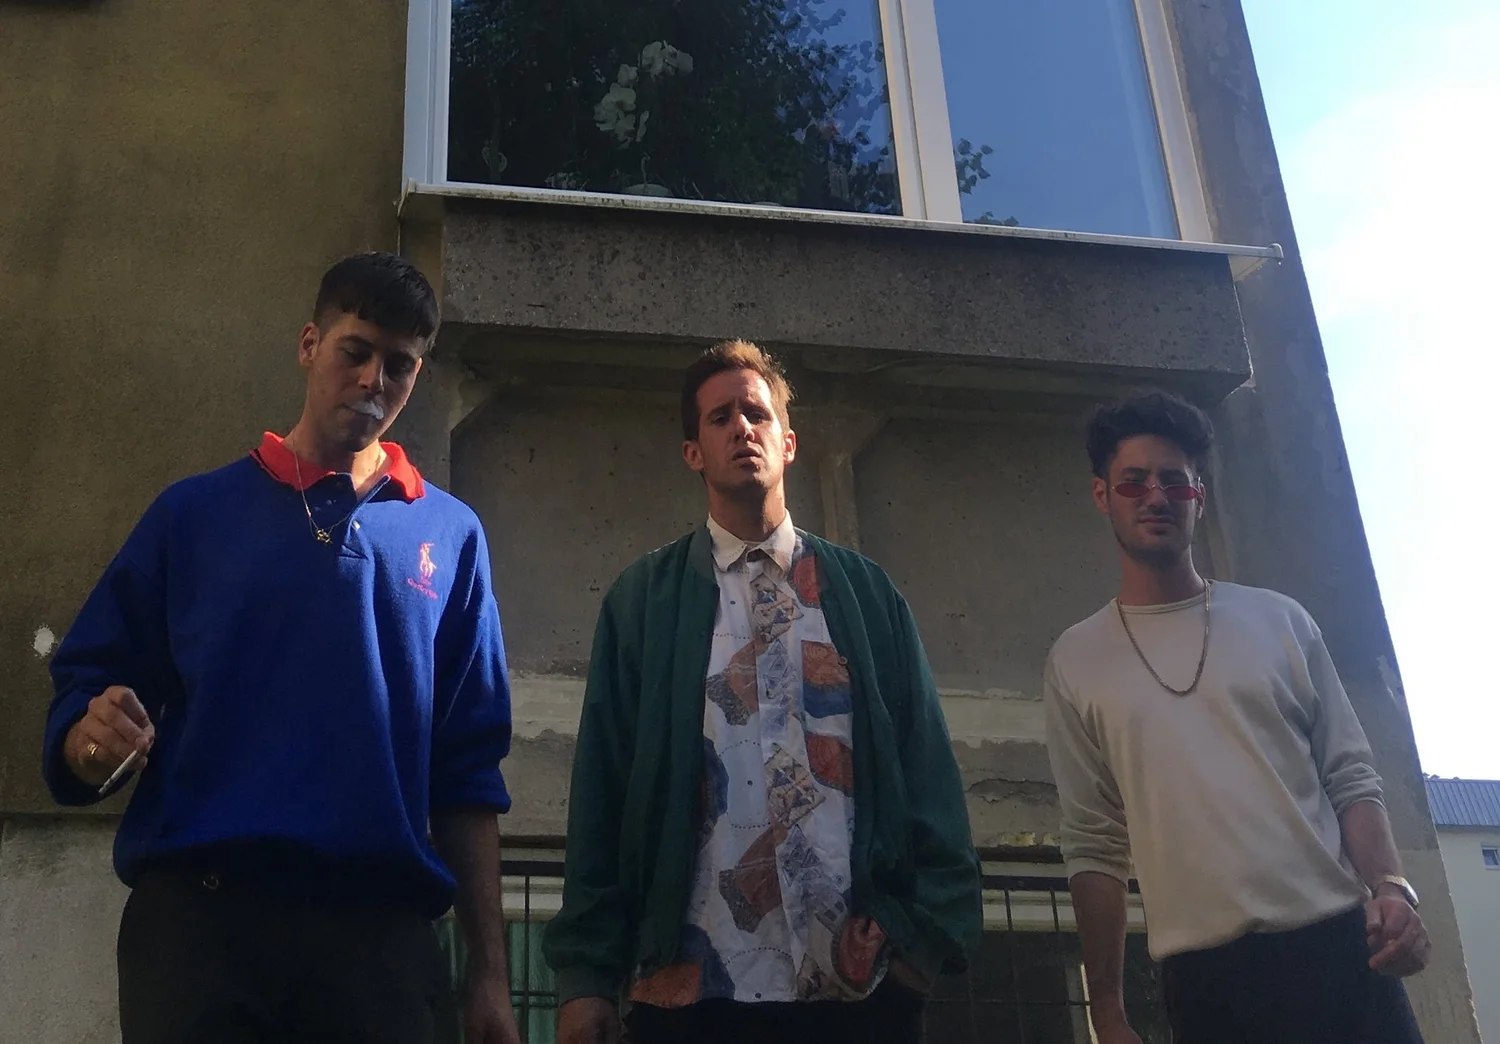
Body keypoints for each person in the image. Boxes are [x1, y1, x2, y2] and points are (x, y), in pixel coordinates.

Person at [42, 252, 522, 1044]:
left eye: (400, 365)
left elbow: (467, 773)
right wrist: (88, 743)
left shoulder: (451, 535)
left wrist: (490, 978)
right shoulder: (193, 516)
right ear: (309, 345)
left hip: (379, 943)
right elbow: (87, 692)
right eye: (355, 351)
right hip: (202, 928)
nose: (373, 380)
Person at [542, 341, 982, 1044]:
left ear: (789, 442)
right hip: (689, 992)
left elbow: (926, 767)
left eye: (757, 413)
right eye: (720, 417)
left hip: (856, 988)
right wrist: (586, 978)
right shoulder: (644, 602)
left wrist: (918, 955)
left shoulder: (865, 595)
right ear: (693, 452)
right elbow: (604, 789)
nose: (741, 428)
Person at [1043, 390, 1430, 1044]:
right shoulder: (1076, 660)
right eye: (1134, 482)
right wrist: (1106, 1008)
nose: (1157, 497)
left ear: (1198, 494)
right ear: (1102, 495)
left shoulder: (1279, 620)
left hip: (1339, 951)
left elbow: (1350, 776)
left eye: (1175, 481)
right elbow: (1094, 841)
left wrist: (1391, 886)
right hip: (1207, 982)